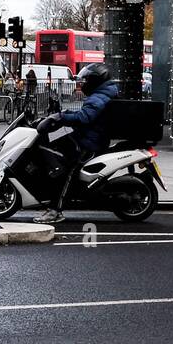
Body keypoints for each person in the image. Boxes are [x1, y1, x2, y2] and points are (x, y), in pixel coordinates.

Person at [38, 62, 118, 223]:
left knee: (66, 171)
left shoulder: (99, 97)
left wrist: (61, 117)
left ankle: (56, 210)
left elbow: (85, 117)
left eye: (86, 81)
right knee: (52, 152)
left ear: (95, 81)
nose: (83, 84)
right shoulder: (102, 94)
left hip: (89, 142)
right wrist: (64, 114)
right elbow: (87, 114)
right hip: (86, 136)